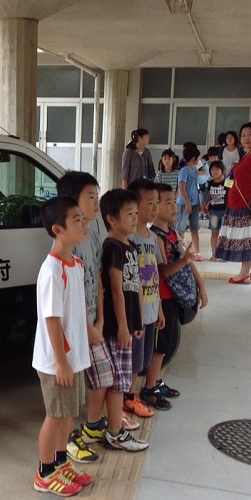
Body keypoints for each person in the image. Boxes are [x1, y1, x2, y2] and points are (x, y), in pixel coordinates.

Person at [32, 196, 93, 497]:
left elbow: (76, 312)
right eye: (77, 220)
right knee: (55, 415)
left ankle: (60, 462)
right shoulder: (53, 270)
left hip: (73, 358)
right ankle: (44, 472)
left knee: (68, 413)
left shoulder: (76, 263)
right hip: (58, 360)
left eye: (84, 218)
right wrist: (61, 362)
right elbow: (52, 320)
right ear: (58, 228)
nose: (84, 224)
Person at [56, 172, 107, 464]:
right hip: (75, 331)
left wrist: (99, 319)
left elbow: (97, 278)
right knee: (70, 393)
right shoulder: (69, 244)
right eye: (90, 197)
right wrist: (88, 327)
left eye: (96, 196)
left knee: (98, 379)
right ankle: (71, 439)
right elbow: (69, 300)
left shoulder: (91, 234)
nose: (96, 201)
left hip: (90, 324)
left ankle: (89, 427)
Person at [98, 189, 149, 452]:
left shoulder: (131, 245)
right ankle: (115, 432)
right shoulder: (112, 247)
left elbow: (136, 285)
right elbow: (116, 290)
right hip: (117, 328)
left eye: (136, 213)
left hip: (129, 325)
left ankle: (116, 421)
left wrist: (137, 322)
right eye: (129, 214)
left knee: (122, 379)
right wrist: (122, 327)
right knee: (118, 381)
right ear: (112, 219)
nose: (134, 218)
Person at [147, 184, 207, 402]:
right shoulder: (157, 237)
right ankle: (149, 387)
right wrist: (184, 260)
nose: (174, 207)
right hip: (162, 297)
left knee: (168, 343)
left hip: (174, 297)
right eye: (168, 203)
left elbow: (187, 262)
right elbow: (163, 270)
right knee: (160, 345)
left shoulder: (171, 233)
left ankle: (156, 381)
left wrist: (201, 286)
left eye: (174, 201)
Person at [215, 122, 251, 284]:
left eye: (250, 134)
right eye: (244, 135)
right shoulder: (249, 153)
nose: (246, 138)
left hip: (249, 205)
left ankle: (244, 274)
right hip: (247, 204)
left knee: (246, 238)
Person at [125, 180, 164, 414]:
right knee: (133, 361)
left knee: (143, 360)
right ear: (135, 206)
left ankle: (132, 395)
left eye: (157, 202)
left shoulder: (151, 237)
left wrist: (158, 308)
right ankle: (129, 397)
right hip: (136, 313)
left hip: (150, 309)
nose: (155, 208)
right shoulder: (131, 239)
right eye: (150, 203)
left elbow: (156, 275)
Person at [177, 142, 203, 261]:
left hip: (194, 203)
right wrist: (187, 203)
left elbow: (195, 187)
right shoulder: (184, 171)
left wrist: (199, 203)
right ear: (194, 158)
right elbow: (182, 188)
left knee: (194, 228)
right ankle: (182, 251)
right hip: (184, 204)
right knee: (181, 228)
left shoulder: (195, 171)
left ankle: (197, 252)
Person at [202, 161, 227, 261]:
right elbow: (209, 195)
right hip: (214, 212)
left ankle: (225, 255)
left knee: (224, 234)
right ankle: (214, 254)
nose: (215, 172)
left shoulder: (227, 182)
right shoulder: (211, 182)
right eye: (212, 169)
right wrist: (205, 205)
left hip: (225, 211)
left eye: (217, 169)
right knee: (214, 232)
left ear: (222, 171)